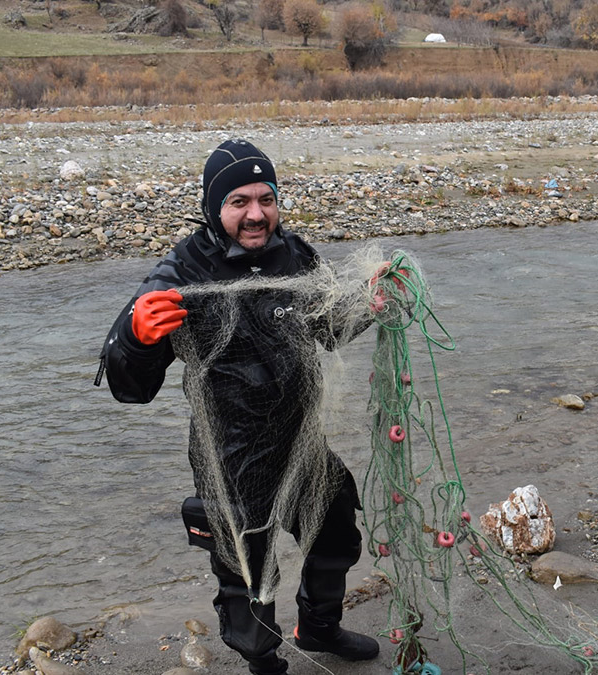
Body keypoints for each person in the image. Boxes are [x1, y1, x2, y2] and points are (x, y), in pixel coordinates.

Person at [95, 139, 379, 674]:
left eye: (266, 199)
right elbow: (131, 386)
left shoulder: (294, 254)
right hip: (230, 457)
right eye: (239, 202)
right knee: (247, 569)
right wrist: (136, 337)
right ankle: (263, 662)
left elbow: (329, 328)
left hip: (301, 443)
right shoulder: (180, 270)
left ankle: (319, 629)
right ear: (213, 206)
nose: (256, 214)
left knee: (336, 527)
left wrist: (368, 303)